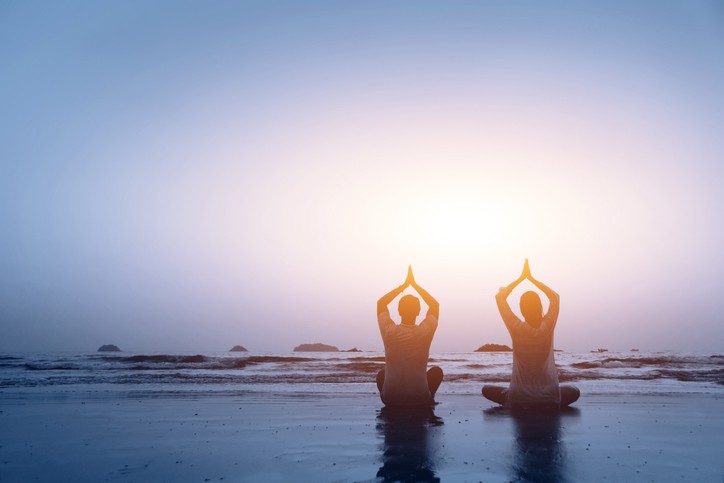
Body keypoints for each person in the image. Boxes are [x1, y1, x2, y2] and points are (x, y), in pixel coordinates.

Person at [482, 259, 580, 408]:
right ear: (540, 306)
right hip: (550, 398)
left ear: (521, 309)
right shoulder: (548, 325)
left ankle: (511, 396)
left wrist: (521, 279)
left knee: (486, 389)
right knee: (574, 391)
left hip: (518, 398)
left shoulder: (516, 327)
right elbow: (555, 297)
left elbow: (500, 297)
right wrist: (533, 280)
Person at [376, 266, 443, 406]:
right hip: (419, 399)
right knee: (436, 372)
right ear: (419, 311)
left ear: (399, 311)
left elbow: (381, 303)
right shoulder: (425, 331)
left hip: (390, 400)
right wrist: (415, 285)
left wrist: (404, 286)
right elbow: (434, 305)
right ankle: (429, 399)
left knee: (382, 374)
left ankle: (393, 399)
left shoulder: (389, 331)